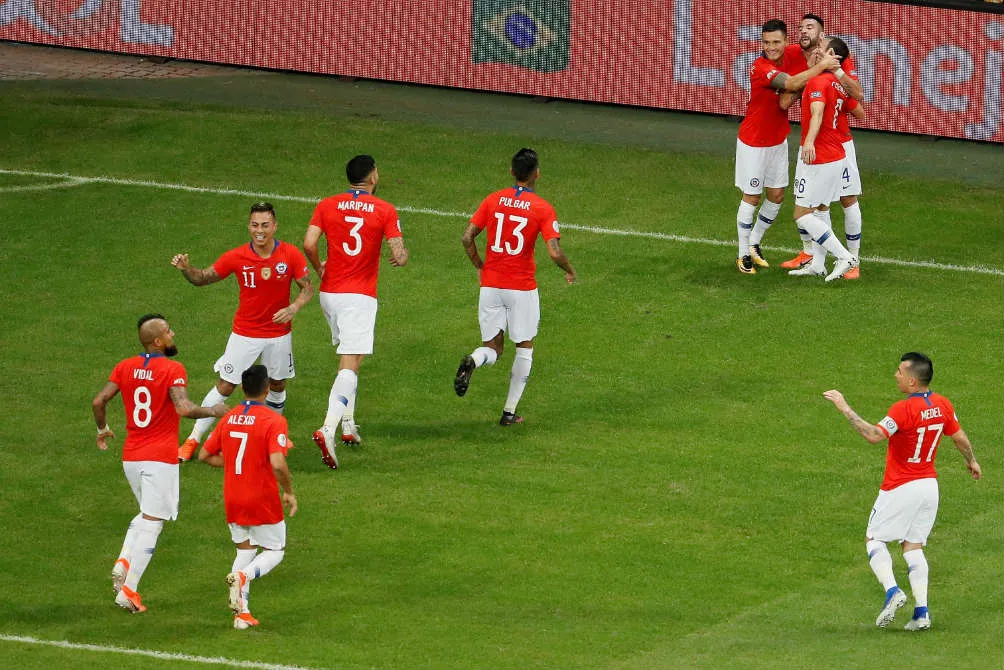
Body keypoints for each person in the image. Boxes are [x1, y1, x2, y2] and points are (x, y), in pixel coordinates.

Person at [823, 352, 981, 631]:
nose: (895, 375)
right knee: (912, 545)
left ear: (911, 380)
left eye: (899, 371)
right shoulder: (943, 405)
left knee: (873, 539)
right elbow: (959, 438)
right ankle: (921, 613)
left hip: (901, 486)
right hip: (929, 487)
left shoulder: (902, 409)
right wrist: (972, 461)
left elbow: (873, 435)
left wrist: (844, 408)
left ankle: (892, 591)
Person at [91, 314, 228, 613]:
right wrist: (213, 410)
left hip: (131, 456)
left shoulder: (124, 367)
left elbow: (99, 401)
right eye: (167, 332)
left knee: (146, 514)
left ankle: (124, 561)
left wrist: (102, 431)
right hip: (159, 459)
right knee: (154, 523)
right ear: (157, 341)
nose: (172, 334)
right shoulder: (172, 369)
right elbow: (183, 407)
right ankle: (129, 590)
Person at [171, 202, 313, 462]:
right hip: (245, 334)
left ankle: (273, 437)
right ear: (249, 226)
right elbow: (203, 277)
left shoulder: (290, 255)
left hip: (279, 334)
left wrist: (294, 307)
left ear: (275, 226)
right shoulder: (236, 256)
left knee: (278, 384)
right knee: (226, 385)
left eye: (265, 225)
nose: (260, 231)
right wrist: (186, 270)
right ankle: (193, 439)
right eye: (255, 225)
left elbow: (307, 288)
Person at [453, 148, 576, 425]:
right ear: (537, 174)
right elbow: (555, 252)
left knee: (493, 350)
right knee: (525, 347)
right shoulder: (542, 208)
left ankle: (474, 359)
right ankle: (508, 412)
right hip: (521, 288)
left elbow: (466, 237)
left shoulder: (494, 199)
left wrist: (480, 266)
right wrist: (570, 270)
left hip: (491, 286)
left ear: (511, 172)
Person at [303, 154, 409, 469]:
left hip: (330, 294)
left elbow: (309, 243)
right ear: (373, 176)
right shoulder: (385, 210)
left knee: (353, 356)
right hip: (358, 296)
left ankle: (348, 424)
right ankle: (328, 428)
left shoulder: (327, 204)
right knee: (349, 363)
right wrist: (400, 258)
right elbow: (399, 254)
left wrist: (320, 267)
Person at [734, 18, 839, 274]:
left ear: (786, 41)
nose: (771, 47)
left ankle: (755, 242)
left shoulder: (792, 53)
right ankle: (742, 254)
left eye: (776, 42)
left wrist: (820, 48)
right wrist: (821, 66)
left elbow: (808, 50)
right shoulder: (760, 67)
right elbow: (791, 85)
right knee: (752, 197)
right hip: (753, 141)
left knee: (777, 195)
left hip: (778, 138)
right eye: (766, 42)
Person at [198, 364, 297, 630]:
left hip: (233, 496)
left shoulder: (228, 418)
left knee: (245, 548)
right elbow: (277, 463)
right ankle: (244, 575)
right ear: (267, 389)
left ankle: (241, 615)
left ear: (242, 389)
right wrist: (288, 491)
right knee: (275, 550)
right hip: (261, 498)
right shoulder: (273, 420)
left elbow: (204, 456)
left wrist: (231, 462)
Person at [777, 14, 866, 278]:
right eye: (801, 27)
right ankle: (816, 261)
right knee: (821, 206)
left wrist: (809, 141)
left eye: (812, 29)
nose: (805, 32)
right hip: (826, 149)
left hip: (827, 149)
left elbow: (857, 103)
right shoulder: (811, 67)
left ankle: (850, 258)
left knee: (816, 208)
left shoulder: (831, 72)